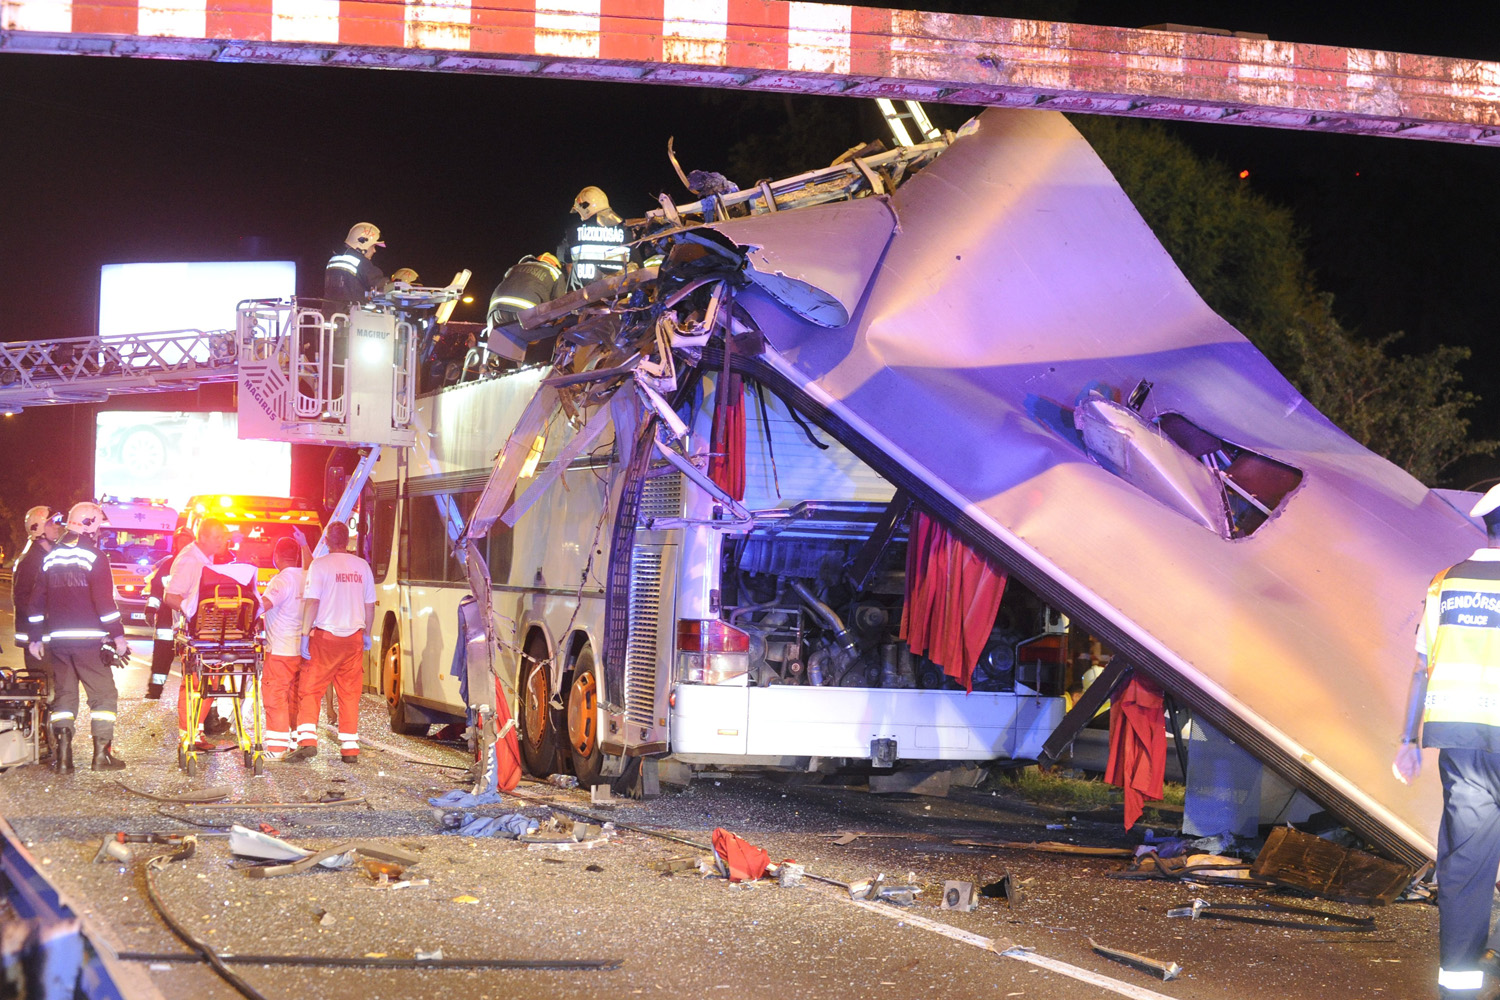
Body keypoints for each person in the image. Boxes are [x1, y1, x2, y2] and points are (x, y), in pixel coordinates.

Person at [1393, 482, 1500, 999]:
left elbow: (1420, 665)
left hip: (1461, 742)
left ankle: (1458, 984)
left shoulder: (1445, 583)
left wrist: (1406, 739)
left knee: (1466, 862)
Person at [25, 501, 130, 773]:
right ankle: (101, 756)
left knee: (65, 697)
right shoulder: (95, 557)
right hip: (89, 642)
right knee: (103, 695)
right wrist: (118, 636)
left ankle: (63, 758)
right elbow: (105, 604)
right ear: (89, 524)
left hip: (58, 642)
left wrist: (35, 638)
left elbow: (35, 604)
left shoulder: (50, 557)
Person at [288, 521, 374, 764]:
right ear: (347, 540)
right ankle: (349, 748)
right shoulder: (362, 566)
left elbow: (312, 602)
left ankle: (307, 740)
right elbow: (369, 606)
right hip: (353, 638)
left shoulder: (320, 565)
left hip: (325, 638)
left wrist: (305, 635)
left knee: (310, 688)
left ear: (326, 540)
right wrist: (367, 633)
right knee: (349, 693)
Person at [163, 518, 234, 744]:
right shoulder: (190, 560)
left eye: (222, 537)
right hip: (195, 632)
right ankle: (189, 734)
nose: (221, 541)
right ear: (202, 537)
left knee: (208, 684)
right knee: (196, 684)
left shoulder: (202, 558)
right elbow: (171, 596)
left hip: (207, 631)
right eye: (216, 537)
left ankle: (196, 731)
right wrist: (194, 615)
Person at [258, 534, 312, 760]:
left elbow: (264, 605)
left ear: (276, 556)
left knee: (275, 696)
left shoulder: (281, 580)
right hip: (303, 649)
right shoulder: (307, 577)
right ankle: (292, 742)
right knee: (294, 698)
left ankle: (277, 748)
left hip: (280, 649)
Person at [11, 506, 63, 706]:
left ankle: (52, 733)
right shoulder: (31, 561)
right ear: (38, 528)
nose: (57, 527)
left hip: (50, 637)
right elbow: (23, 600)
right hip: (37, 640)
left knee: (56, 690)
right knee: (45, 692)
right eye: (51, 524)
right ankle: (42, 734)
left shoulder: (51, 556)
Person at [142, 528, 194, 700]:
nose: (184, 544)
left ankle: (193, 694)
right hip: (166, 619)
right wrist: (150, 609)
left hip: (189, 619)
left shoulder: (198, 564)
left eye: (187, 541)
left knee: (193, 660)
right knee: (161, 657)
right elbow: (156, 590)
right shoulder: (168, 564)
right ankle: (155, 690)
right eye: (181, 541)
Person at [559, 187, 631, 291]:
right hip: (618, 297)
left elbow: (563, 257)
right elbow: (638, 265)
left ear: (585, 208)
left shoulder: (574, 231)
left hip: (583, 299)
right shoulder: (626, 232)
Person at [324, 222, 386, 305]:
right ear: (362, 243)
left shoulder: (333, 259)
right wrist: (398, 288)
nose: (374, 251)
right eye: (373, 246)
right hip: (351, 315)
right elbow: (379, 283)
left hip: (329, 313)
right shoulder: (360, 262)